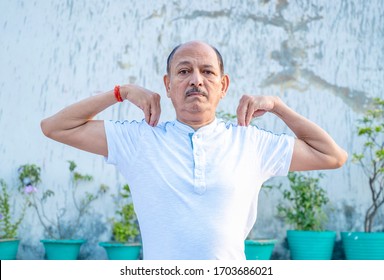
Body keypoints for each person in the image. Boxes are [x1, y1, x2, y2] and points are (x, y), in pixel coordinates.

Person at [41, 40, 348, 260]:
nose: (196, 80)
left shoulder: (251, 142)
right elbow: (55, 127)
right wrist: (121, 92)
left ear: (223, 85)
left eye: (208, 72)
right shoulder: (138, 140)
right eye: (184, 71)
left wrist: (279, 107)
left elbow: (332, 156)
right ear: (168, 84)